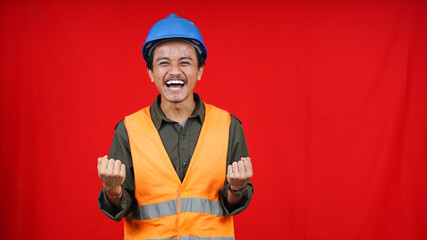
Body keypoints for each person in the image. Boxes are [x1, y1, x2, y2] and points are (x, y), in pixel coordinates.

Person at [97, 13, 254, 240]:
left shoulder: (228, 125)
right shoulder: (128, 129)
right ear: (151, 73)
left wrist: (237, 188)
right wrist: (112, 191)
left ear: (199, 70)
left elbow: (232, 204)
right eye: (163, 63)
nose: (174, 71)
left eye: (185, 62)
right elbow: (122, 207)